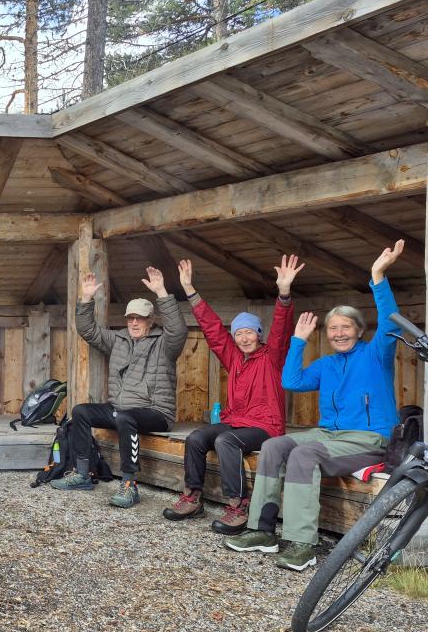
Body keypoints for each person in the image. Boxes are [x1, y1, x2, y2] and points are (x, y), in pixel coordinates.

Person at [224, 241, 405, 571]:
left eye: (345, 327)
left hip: (368, 439)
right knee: (274, 445)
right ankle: (262, 531)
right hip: (329, 435)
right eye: (333, 328)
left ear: (359, 331)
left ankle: (301, 544)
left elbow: (391, 322)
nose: (338, 333)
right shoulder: (326, 363)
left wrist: (377, 275)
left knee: (304, 454)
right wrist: (298, 341)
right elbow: (291, 381)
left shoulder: (377, 354)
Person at [163, 255, 302, 533]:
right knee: (196, 437)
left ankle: (238, 505)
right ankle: (192, 496)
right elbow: (212, 329)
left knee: (226, 441)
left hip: (266, 425)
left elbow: (282, 330)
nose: (243, 338)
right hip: (237, 419)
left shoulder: (273, 356)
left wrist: (284, 294)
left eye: (249, 332)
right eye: (239, 334)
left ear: (259, 335)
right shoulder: (234, 358)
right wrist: (190, 290)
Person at [52, 266, 186, 507]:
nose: (134, 322)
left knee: (125, 418)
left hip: (155, 412)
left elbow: (178, 330)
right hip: (120, 408)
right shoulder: (118, 339)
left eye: (140, 318)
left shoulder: (164, 344)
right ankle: (82, 473)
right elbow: (87, 330)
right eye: (130, 318)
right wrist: (86, 298)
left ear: (150, 320)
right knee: (81, 411)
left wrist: (162, 292)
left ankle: (129, 484)